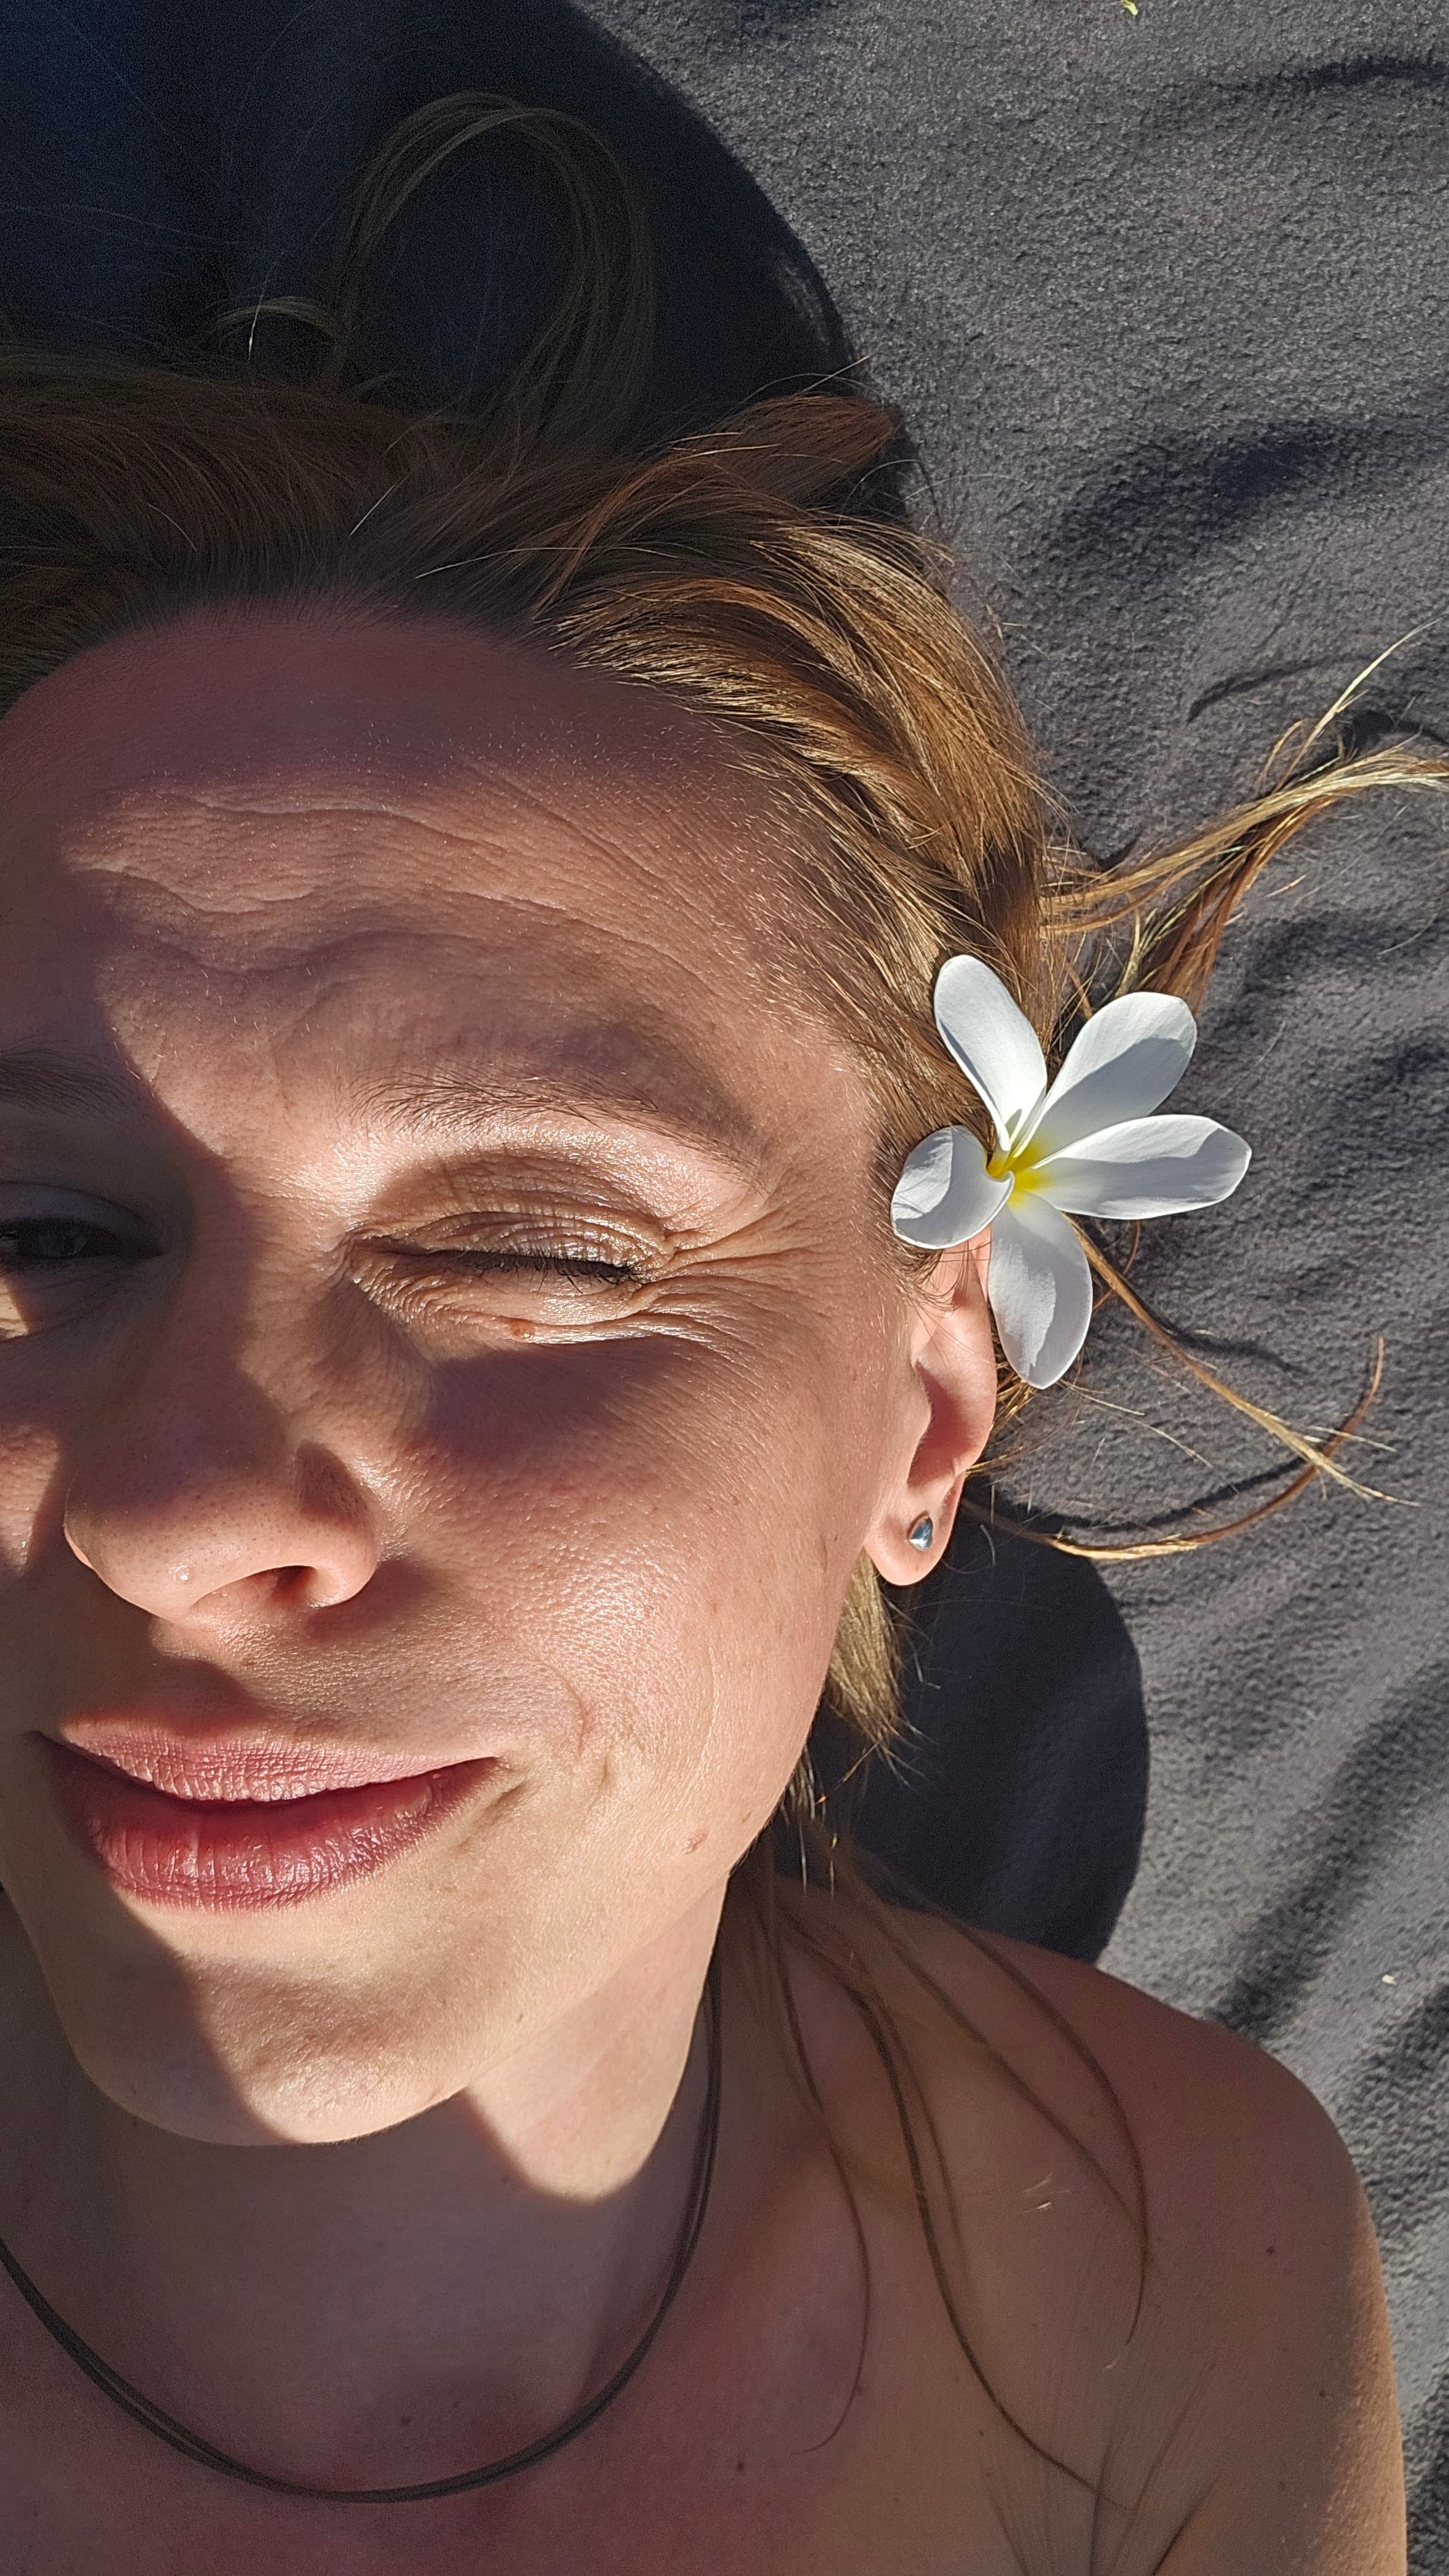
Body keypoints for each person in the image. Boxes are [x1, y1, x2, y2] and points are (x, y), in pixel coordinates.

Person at [0, 94, 1432, 2576]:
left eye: (536, 1250)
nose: (185, 1509)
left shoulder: (1166, 2261)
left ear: (925, 1412)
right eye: (38, 1222)